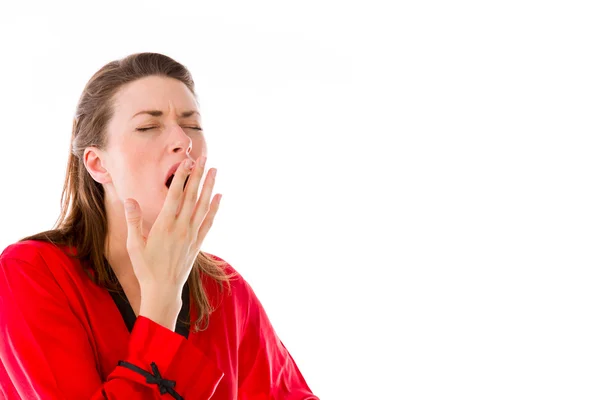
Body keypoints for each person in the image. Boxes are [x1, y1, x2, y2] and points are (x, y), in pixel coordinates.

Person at [0, 52, 318, 399]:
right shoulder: (29, 274)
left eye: (193, 125)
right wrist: (161, 302)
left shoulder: (225, 289)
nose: (184, 141)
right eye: (148, 127)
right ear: (97, 164)